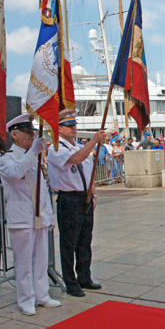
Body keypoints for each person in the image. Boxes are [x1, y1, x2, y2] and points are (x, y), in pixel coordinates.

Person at [0, 114, 61, 315]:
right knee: (23, 262)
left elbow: (43, 189)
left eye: (33, 133)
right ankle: (26, 299)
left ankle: (42, 295)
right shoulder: (6, 157)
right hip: (22, 217)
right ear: (14, 135)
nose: (32, 136)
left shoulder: (33, 157)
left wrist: (49, 216)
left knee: (41, 259)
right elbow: (16, 173)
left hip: (39, 215)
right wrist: (34, 152)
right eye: (27, 133)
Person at [47, 115, 106, 297]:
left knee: (84, 241)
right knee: (69, 243)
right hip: (69, 198)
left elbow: (90, 172)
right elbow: (75, 160)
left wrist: (93, 194)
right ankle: (70, 281)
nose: (73, 128)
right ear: (58, 129)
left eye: (74, 125)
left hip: (85, 197)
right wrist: (94, 141)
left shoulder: (81, 146)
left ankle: (84, 277)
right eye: (68, 125)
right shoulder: (56, 148)